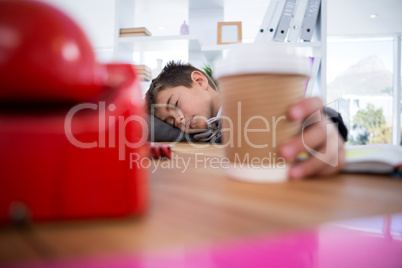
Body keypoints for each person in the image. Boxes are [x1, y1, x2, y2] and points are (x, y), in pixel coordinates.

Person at [146, 61, 347, 179]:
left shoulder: (249, 101)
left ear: (199, 81)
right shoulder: (199, 133)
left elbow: (304, 116)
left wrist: (325, 123)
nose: (179, 120)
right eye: (171, 122)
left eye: (176, 105)